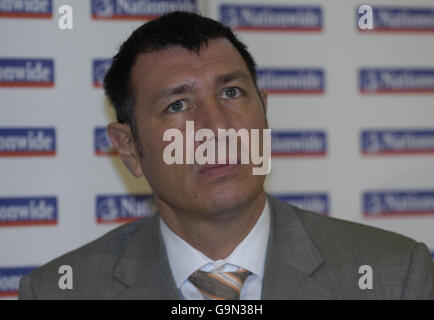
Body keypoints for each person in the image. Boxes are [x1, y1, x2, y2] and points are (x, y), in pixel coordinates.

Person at [19, 11, 433, 300]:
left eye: (231, 93)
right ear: (129, 148)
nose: (217, 128)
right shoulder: (60, 291)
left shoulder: (395, 276)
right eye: (178, 105)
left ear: (264, 112)